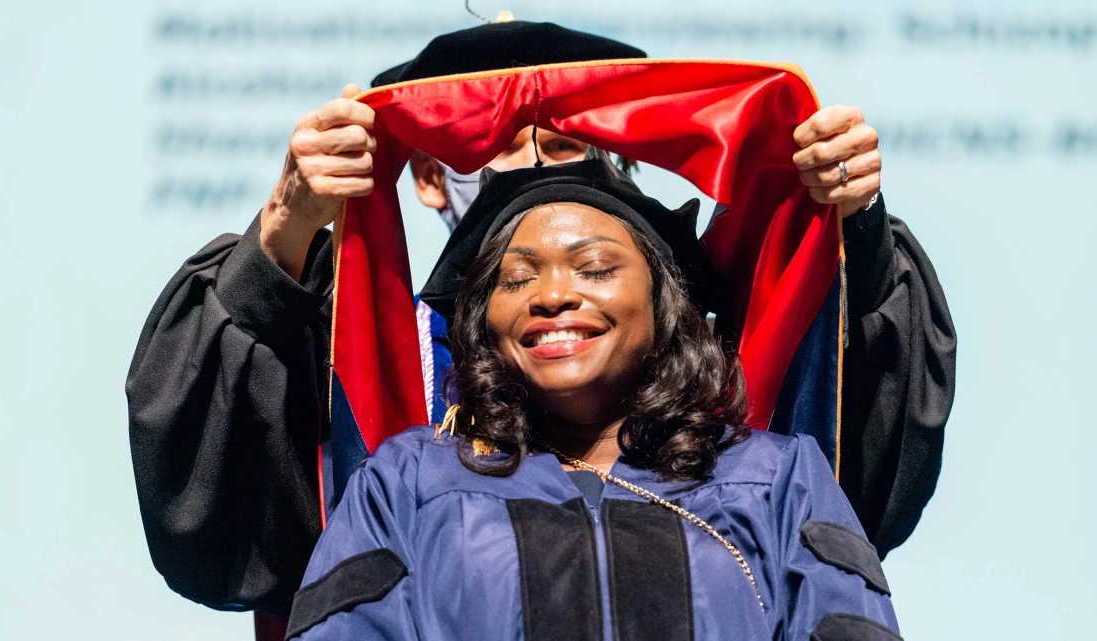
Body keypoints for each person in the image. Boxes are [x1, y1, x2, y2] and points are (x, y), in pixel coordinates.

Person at [127, 20, 954, 620]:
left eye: (561, 147)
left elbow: (852, 456)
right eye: (494, 147)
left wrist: (850, 220)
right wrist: (285, 226)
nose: (526, 170)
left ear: (616, 160)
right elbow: (213, 513)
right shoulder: (353, 353)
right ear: (424, 179)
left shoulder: (707, 347)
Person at [284, 152, 901, 641]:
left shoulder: (777, 478)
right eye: (517, 278)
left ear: (664, 308)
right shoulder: (407, 483)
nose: (551, 295)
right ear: (482, 323)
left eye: (597, 268)